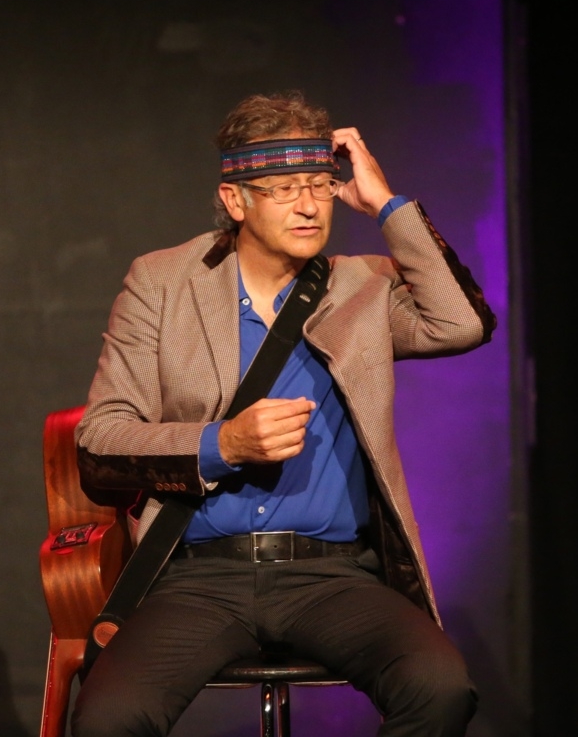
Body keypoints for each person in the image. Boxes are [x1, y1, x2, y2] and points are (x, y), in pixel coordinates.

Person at [72, 91, 496, 736]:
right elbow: (100, 442)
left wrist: (386, 203)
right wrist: (223, 444)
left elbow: (462, 323)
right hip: (200, 575)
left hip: (332, 574)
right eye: (284, 189)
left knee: (439, 688)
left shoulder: (362, 285)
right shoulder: (163, 283)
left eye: (321, 185)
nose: (308, 205)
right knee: (108, 720)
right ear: (236, 199)